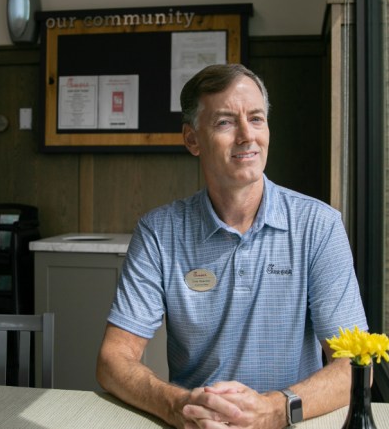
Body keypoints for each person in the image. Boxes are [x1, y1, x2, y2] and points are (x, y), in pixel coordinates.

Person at [96, 64, 368, 429]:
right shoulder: (159, 232)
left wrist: (273, 409)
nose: (246, 136)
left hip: (293, 422)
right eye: (225, 122)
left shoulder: (319, 227)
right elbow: (113, 359)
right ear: (192, 139)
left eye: (256, 119)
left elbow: (355, 367)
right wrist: (177, 406)